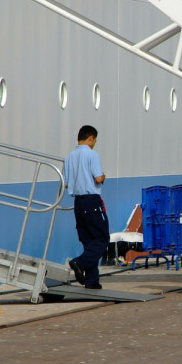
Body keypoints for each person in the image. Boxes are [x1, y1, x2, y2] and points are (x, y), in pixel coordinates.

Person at [63, 124, 107, 290]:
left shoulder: (69, 158)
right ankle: (79, 262)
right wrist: (103, 176)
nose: (94, 143)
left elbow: (66, 184)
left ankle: (92, 281)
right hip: (92, 201)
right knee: (102, 238)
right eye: (94, 140)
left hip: (78, 204)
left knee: (88, 242)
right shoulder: (92, 154)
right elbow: (98, 178)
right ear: (91, 138)